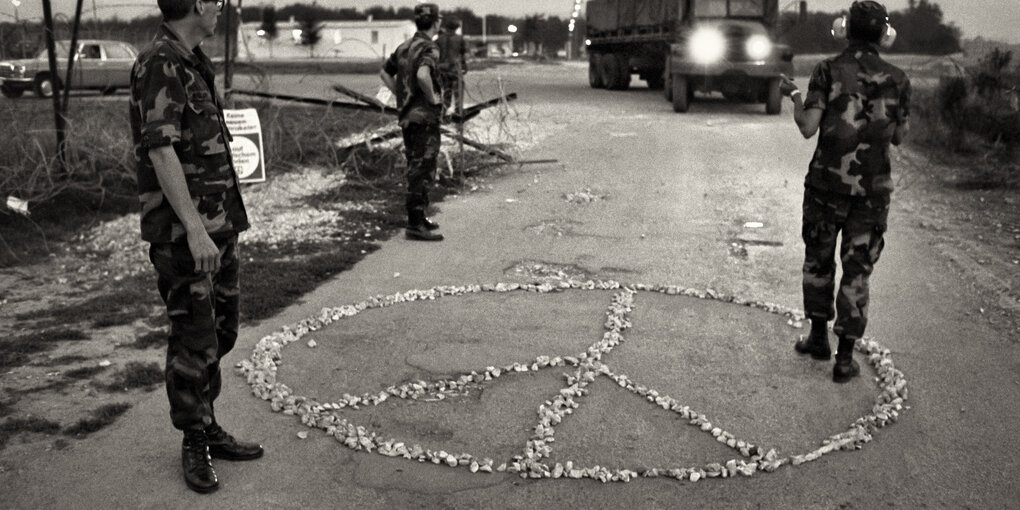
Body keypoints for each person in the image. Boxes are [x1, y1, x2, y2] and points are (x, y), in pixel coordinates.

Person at [129, 0, 263, 494]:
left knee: (222, 330)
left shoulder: (192, 59)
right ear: (200, 4)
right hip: (187, 234)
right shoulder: (160, 62)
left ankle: (206, 423)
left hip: (217, 225)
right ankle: (193, 440)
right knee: (194, 338)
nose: (225, 9)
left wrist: (214, 226)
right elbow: (160, 149)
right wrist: (194, 229)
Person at [780, 1, 910, 383]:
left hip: (825, 186)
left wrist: (794, 96)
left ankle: (818, 338)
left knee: (819, 261)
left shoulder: (827, 70)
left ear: (844, 28)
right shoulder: (899, 78)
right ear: (884, 34)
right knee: (858, 272)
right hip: (872, 193)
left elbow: (807, 127)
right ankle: (844, 359)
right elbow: (900, 137)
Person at [380, 3, 445, 242]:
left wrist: (401, 95)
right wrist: (433, 98)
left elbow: (385, 74)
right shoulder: (430, 47)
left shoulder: (404, 47)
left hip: (407, 117)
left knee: (415, 166)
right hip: (424, 118)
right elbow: (422, 75)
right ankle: (415, 224)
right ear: (436, 22)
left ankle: (420, 216)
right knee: (423, 169)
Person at [436, 17, 467, 114]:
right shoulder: (459, 39)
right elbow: (462, 55)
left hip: (442, 69)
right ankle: (458, 109)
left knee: (446, 90)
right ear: (456, 28)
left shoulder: (439, 40)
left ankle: (444, 108)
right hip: (454, 68)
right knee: (458, 89)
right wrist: (464, 66)